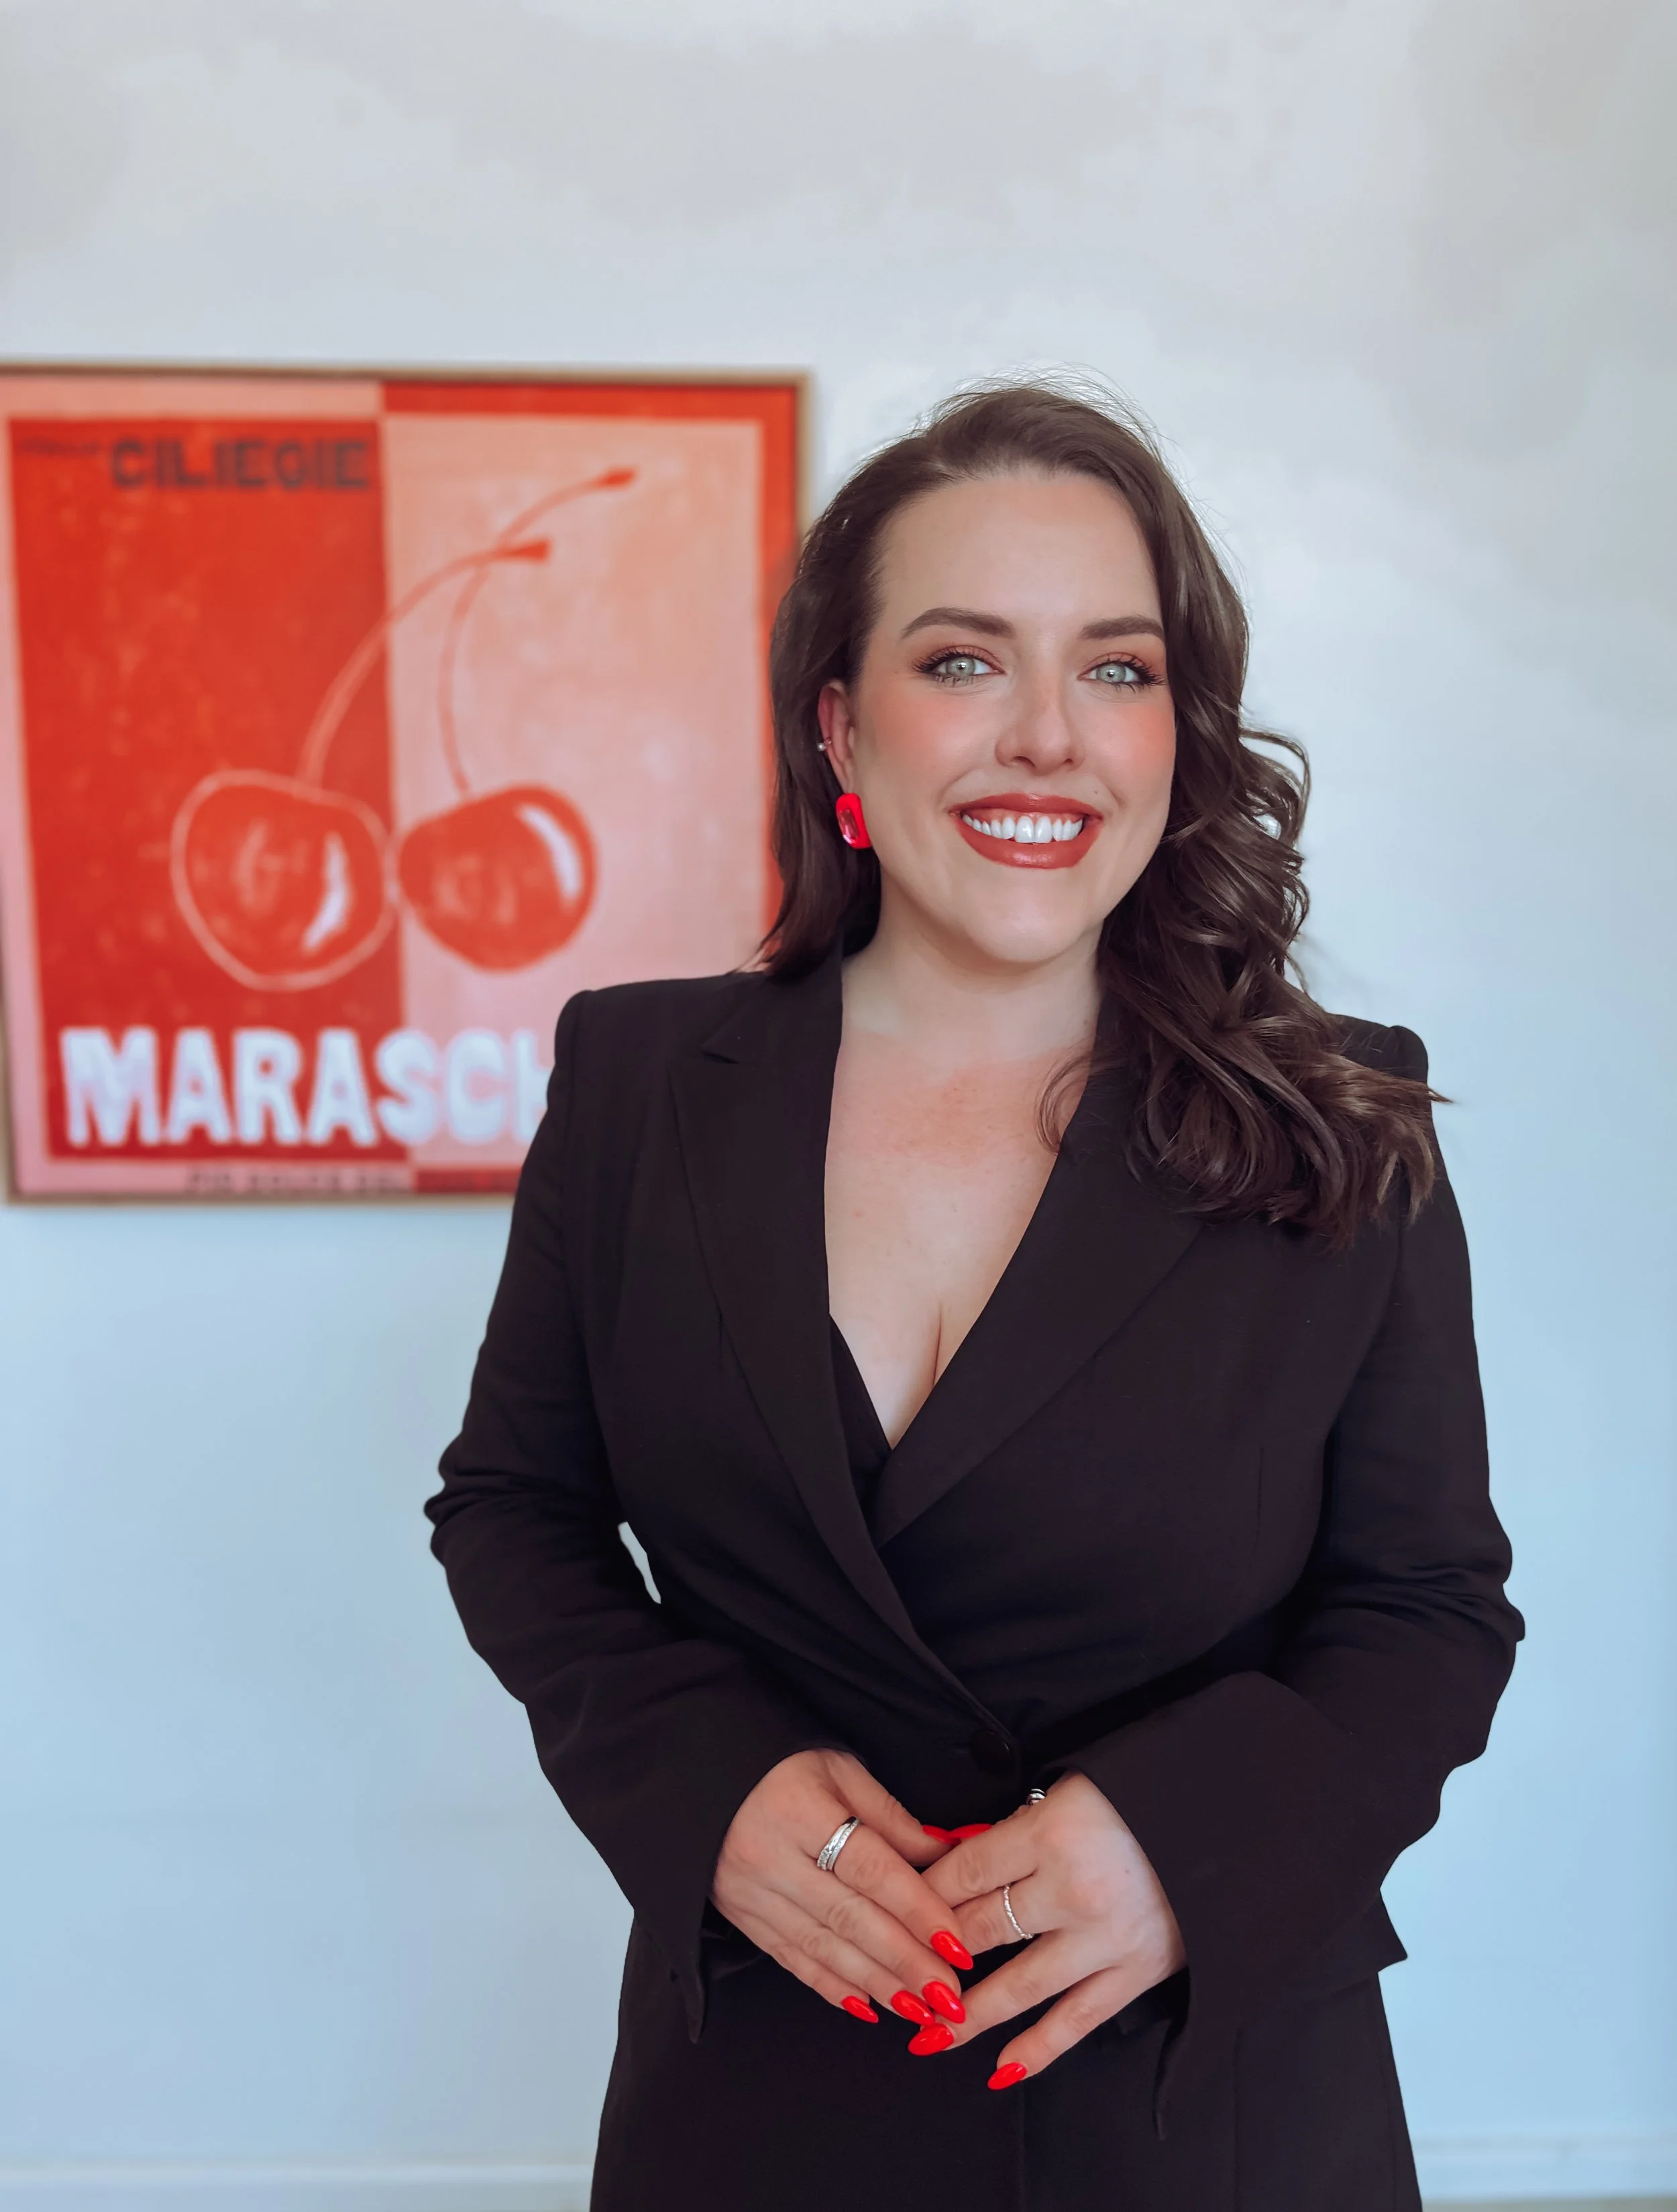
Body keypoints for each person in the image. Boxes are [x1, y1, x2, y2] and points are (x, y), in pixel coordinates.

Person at [426, 382, 1521, 2211]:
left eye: (1114, 668)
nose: (1045, 740)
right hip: (766, 2096)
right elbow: (515, 1511)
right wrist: (706, 1788)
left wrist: (1189, 1847)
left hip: (1210, 2113)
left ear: (1180, 729)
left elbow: (1425, 1608)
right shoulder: (634, 1090)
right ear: (840, 725)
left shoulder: (1346, 1114)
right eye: (961, 663)